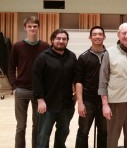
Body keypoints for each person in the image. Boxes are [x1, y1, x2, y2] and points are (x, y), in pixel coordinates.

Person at [8, 16, 49, 148]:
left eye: (35, 26)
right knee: (21, 126)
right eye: (30, 26)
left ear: (38, 28)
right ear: (25, 28)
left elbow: (48, 69)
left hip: (39, 93)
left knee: (37, 125)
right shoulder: (17, 46)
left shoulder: (45, 46)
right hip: (21, 90)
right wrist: (14, 87)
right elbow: (10, 67)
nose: (32, 28)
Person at [32, 29, 77, 148]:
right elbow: (36, 80)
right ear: (52, 40)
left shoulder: (71, 56)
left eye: (64, 39)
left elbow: (76, 78)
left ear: (67, 41)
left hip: (66, 104)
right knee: (43, 135)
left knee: (63, 133)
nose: (61, 41)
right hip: (47, 105)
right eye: (58, 38)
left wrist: (77, 95)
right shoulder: (43, 57)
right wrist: (40, 100)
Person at [74, 26, 107, 148]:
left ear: (104, 37)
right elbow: (78, 81)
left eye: (100, 34)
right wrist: (80, 103)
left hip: (105, 101)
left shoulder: (110, 55)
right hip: (88, 101)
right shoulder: (83, 57)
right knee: (83, 132)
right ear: (90, 37)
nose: (97, 36)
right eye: (94, 34)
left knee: (104, 132)